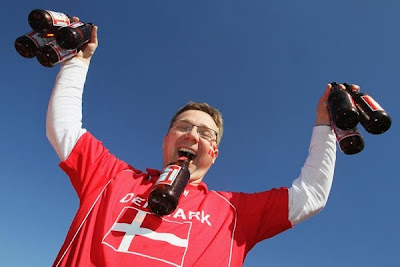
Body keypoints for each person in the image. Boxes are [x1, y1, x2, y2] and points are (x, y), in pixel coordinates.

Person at [46, 24, 339, 267]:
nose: (192, 135)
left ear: (214, 154)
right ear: (166, 140)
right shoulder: (113, 178)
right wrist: (78, 61)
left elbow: (311, 195)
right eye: (183, 127)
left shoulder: (234, 212)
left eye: (206, 133)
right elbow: (64, 128)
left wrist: (326, 126)